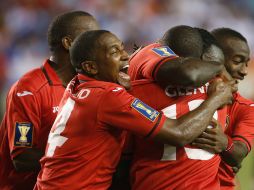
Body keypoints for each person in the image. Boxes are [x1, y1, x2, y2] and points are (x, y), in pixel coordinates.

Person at [34, 30, 234, 190]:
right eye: (114, 52)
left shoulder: (75, 86)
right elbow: (179, 133)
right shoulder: (109, 96)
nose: (125, 57)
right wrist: (215, 99)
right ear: (91, 67)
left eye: (122, 49)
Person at [126, 26, 236, 190]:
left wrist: (225, 143)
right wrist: (218, 71)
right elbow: (189, 74)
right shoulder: (220, 90)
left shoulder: (139, 90)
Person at [0, 11, 99, 190]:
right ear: (68, 43)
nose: (99, 43)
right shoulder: (29, 89)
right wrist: (79, 160)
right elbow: (22, 157)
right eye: (90, 37)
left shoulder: (88, 86)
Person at [193, 27, 254, 190]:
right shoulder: (183, 92)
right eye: (237, 61)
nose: (243, 71)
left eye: (246, 63)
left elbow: (238, 154)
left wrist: (225, 144)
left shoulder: (245, 108)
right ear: (214, 57)